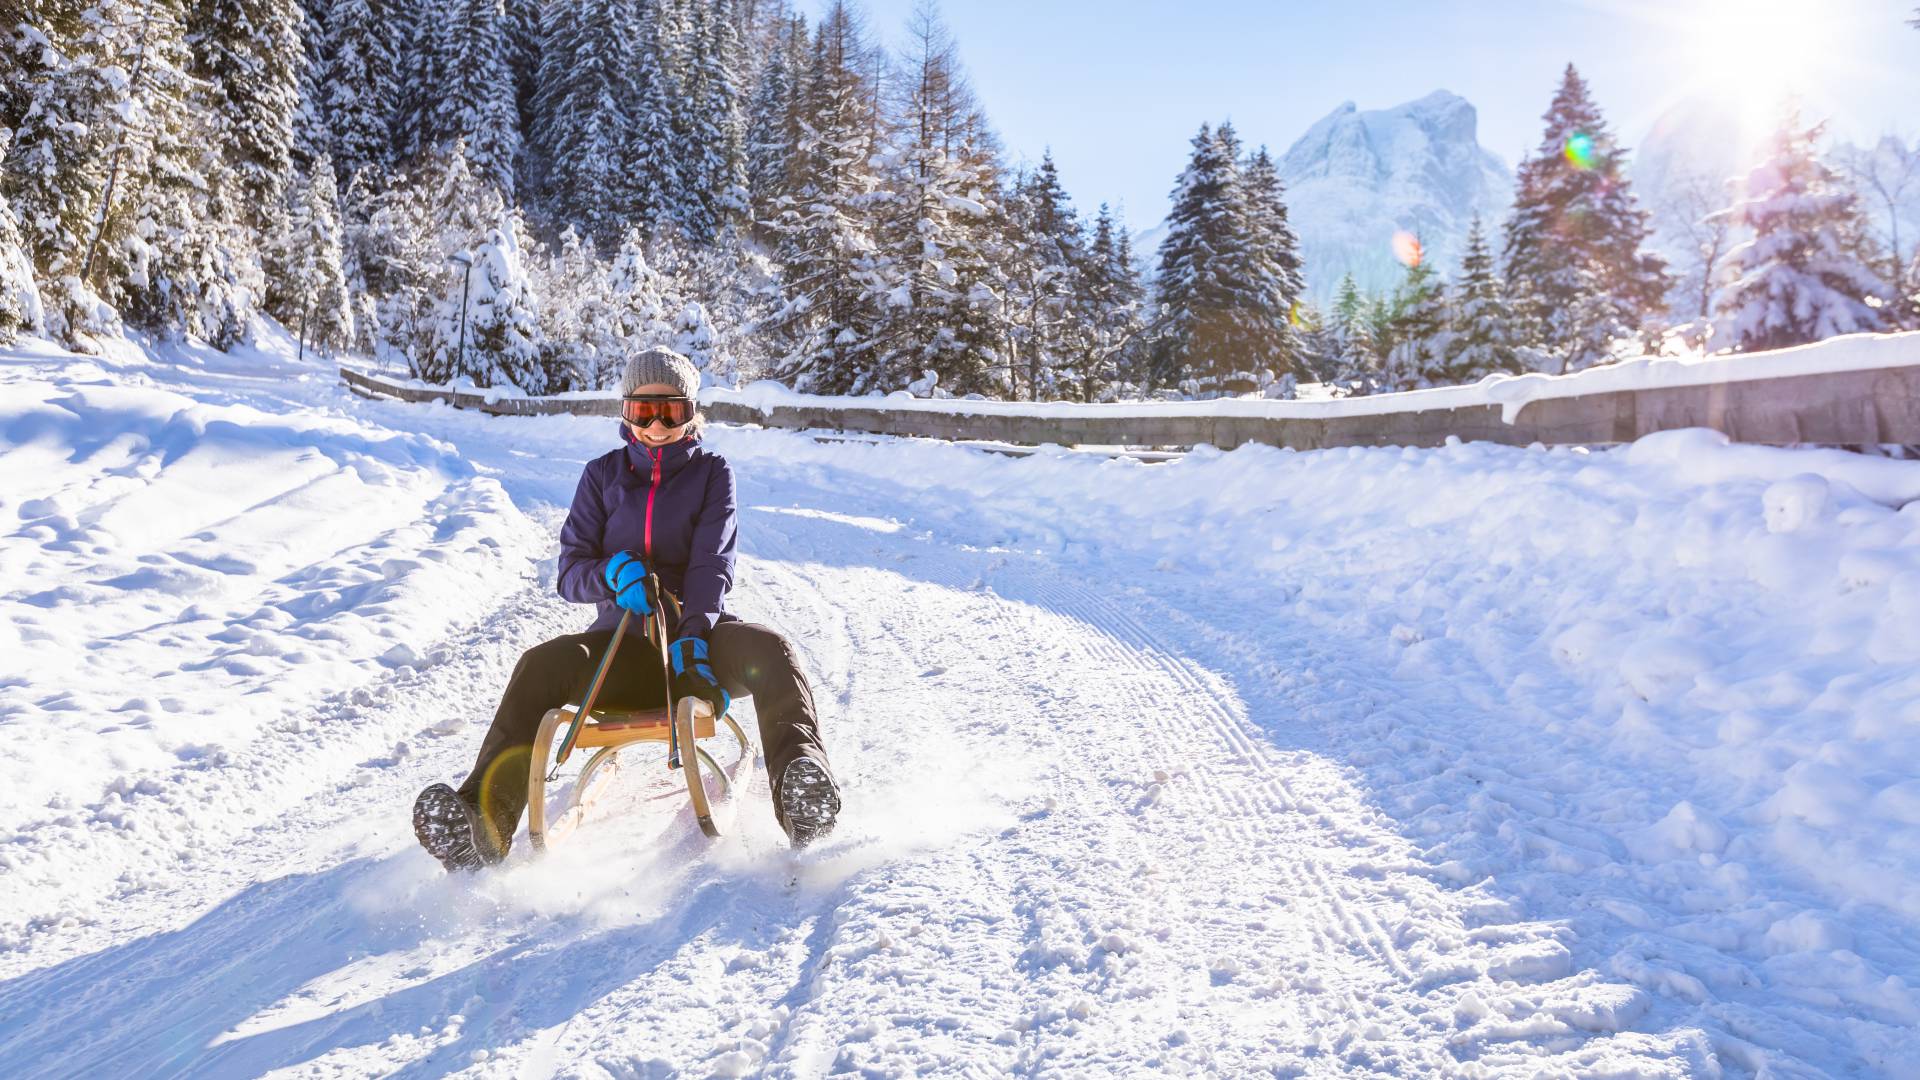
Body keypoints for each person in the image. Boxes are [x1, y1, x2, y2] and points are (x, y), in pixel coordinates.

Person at [411, 346, 840, 871]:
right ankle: (482, 822)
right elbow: (570, 572)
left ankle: (802, 788)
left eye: (672, 412)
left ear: (692, 413)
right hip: (625, 650)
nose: (657, 426)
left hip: (699, 648)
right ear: (625, 412)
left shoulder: (712, 474)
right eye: (643, 412)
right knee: (539, 665)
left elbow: (712, 566)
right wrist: (612, 575)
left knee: (772, 650)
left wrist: (692, 638)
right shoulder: (601, 476)